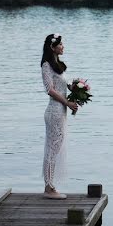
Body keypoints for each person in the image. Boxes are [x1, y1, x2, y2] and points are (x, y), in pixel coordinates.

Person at [41, 33, 79, 199]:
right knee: (52, 148)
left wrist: (76, 89)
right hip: (54, 111)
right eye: (61, 44)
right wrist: (67, 103)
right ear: (52, 47)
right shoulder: (46, 66)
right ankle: (49, 188)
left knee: (55, 147)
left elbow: (62, 86)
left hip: (61, 111)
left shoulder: (57, 64)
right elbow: (50, 89)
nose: (63, 47)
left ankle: (50, 186)